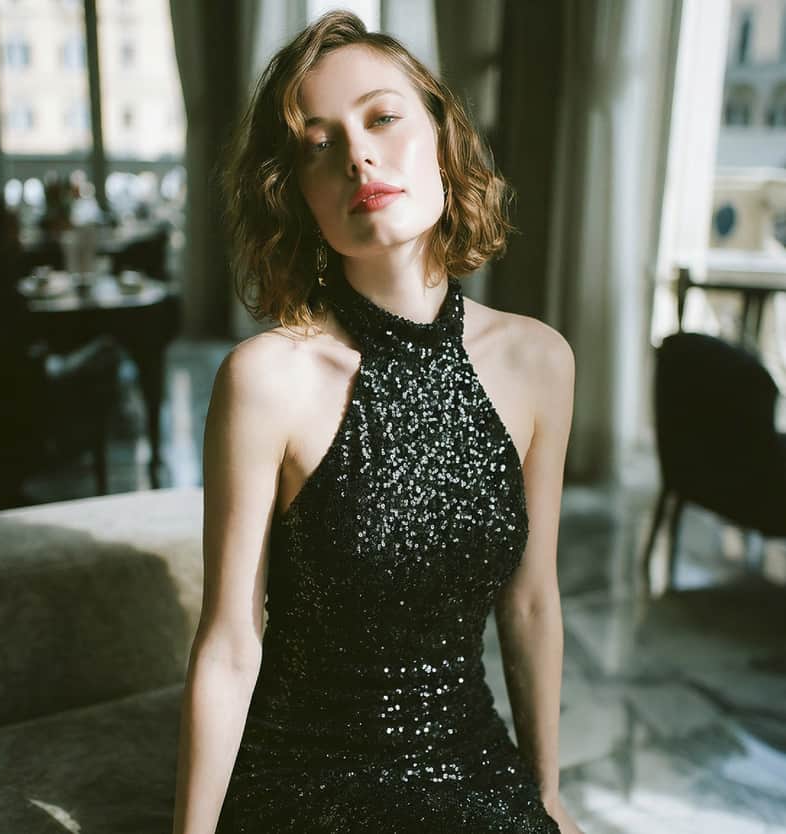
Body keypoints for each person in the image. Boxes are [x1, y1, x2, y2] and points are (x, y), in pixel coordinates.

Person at [172, 10, 580, 834]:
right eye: (317, 144)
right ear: (296, 194)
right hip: (306, 780)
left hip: (469, 760)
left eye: (383, 118)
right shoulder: (266, 379)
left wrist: (547, 795)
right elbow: (229, 644)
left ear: (443, 139)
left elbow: (532, 602)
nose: (357, 157)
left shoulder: (539, 361)